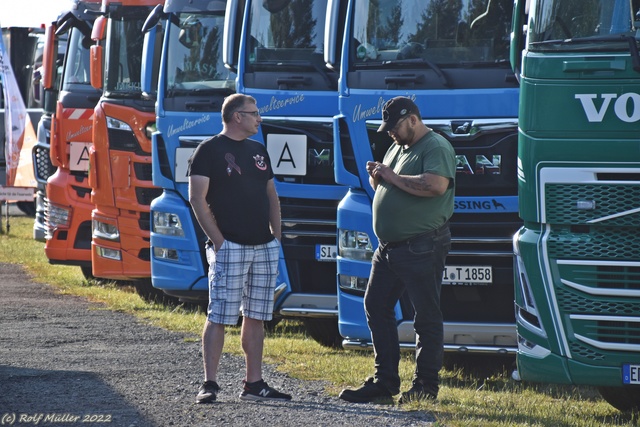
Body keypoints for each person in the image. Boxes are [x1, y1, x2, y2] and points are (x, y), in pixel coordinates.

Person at [339, 96, 456, 404]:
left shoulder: (435, 147)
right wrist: (377, 178)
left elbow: (435, 186)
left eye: (394, 127)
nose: (390, 133)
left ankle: (425, 387)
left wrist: (389, 176)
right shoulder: (397, 147)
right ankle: (384, 382)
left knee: (425, 317)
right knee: (376, 304)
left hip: (421, 245)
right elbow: (391, 188)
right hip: (390, 247)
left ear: (413, 120)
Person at [188, 94, 291, 403]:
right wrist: (219, 242)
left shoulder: (258, 150)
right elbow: (197, 199)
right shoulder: (208, 151)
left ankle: (254, 384)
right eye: (254, 113)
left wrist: (277, 236)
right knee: (219, 314)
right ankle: (210, 383)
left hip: (264, 246)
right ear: (236, 117)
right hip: (230, 246)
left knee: (257, 316)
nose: (259, 118)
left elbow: (271, 194)